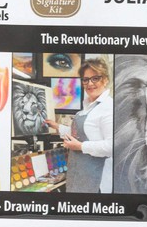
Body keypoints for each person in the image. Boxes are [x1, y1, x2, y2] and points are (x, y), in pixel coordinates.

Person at [45, 58, 113, 193]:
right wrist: (56, 126)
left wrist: (80, 146)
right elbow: (77, 133)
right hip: (78, 174)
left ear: (105, 80)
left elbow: (112, 147)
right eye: (86, 80)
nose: (90, 84)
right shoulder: (87, 106)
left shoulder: (108, 107)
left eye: (95, 78)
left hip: (95, 180)